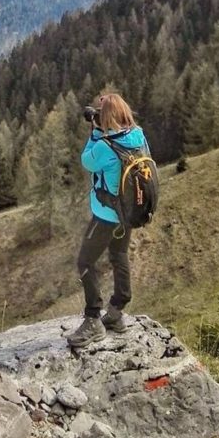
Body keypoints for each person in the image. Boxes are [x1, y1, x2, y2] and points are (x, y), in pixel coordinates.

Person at [67, 91, 148, 349]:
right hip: (129, 212)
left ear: (105, 118)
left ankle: (93, 319)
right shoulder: (138, 135)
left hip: (106, 216)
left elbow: (86, 162)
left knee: (85, 261)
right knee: (118, 256)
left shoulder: (104, 145)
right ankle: (116, 312)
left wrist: (94, 132)